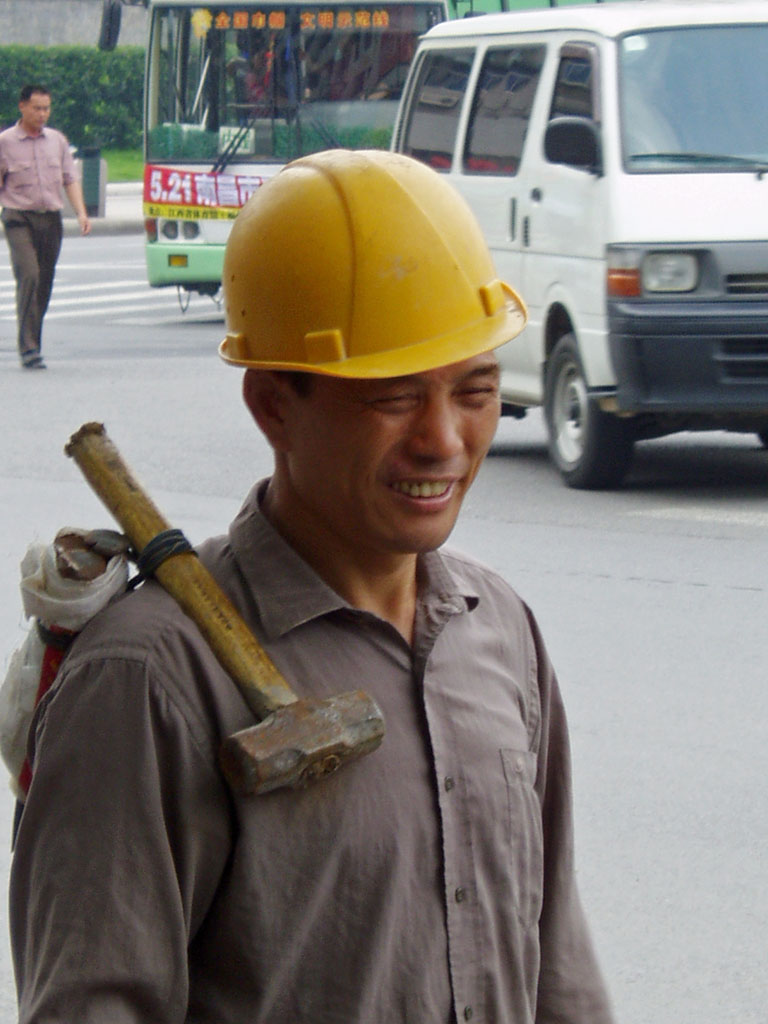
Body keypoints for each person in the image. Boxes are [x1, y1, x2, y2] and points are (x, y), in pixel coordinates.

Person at [9, 149, 615, 1023]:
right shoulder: (147, 680)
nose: (444, 440)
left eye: (476, 390)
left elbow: (554, 957)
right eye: (393, 398)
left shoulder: (500, 631)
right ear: (273, 406)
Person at [0, 84, 91, 370]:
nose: (42, 114)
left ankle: (33, 342)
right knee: (29, 274)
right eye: (37, 108)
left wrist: (81, 212)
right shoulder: (6, 142)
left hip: (50, 219)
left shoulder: (57, 141)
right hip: (18, 218)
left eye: (46, 108)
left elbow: (70, 178)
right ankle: (28, 348)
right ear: (22, 107)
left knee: (44, 282)